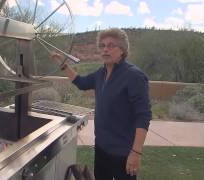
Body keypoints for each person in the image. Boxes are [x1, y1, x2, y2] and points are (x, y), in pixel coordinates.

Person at [51, 28, 152, 180]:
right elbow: (81, 82)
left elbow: (143, 116)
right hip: (101, 148)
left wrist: (136, 152)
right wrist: (63, 64)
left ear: (122, 50)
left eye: (111, 45)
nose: (105, 49)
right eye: (103, 45)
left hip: (123, 152)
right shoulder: (101, 73)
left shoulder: (134, 76)